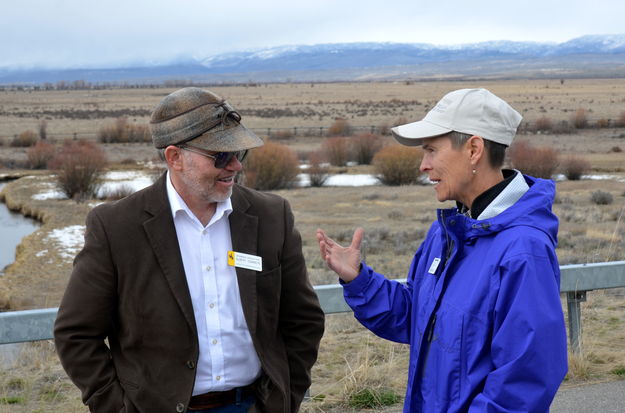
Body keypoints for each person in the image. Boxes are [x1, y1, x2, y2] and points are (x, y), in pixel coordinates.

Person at [54, 87, 325, 413]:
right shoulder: (116, 227)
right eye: (221, 156)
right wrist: (117, 407)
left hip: (254, 404)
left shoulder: (271, 216)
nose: (235, 167)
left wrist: (284, 399)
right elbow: (76, 335)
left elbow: (303, 321)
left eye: (240, 154)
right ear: (174, 157)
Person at [317, 88, 568, 412]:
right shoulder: (447, 233)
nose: (423, 165)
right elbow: (417, 318)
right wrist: (360, 281)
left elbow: (523, 382)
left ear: (474, 149)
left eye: (432, 150)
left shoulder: (522, 250)